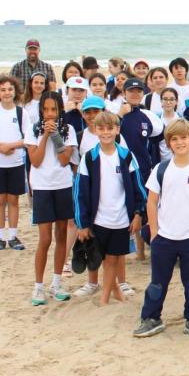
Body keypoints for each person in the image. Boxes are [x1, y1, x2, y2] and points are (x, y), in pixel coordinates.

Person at [134, 119, 189, 337]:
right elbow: (151, 201)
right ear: (169, 143)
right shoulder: (161, 169)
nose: (180, 142)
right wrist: (154, 232)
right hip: (164, 237)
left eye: (184, 138)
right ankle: (151, 318)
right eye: (174, 138)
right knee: (157, 283)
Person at [74, 111, 145, 306]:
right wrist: (82, 223)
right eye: (101, 128)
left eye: (110, 128)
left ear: (117, 129)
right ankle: (108, 295)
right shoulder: (89, 158)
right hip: (99, 219)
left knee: (114, 257)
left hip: (121, 217)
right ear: (95, 130)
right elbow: (80, 192)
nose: (106, 132)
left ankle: (109, 294)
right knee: (103, 258)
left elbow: (139, 187)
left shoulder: (126, 156)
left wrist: (138, 214)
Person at [25, 91, 77, 305]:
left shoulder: (69, 130)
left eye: (53, 110)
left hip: (62, 184)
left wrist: (55, 135)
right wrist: (45, 135)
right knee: (45, 238)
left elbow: (65, 160)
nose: (49, 114)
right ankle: (38, 286)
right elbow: (35, 161)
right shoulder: (32, 129)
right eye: (45, 110)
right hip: (42, 186)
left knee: (62, 235)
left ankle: (56, 283)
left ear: (59, 110)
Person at [118, 77, 165, 265]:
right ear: (124, 93)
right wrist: (119, 115)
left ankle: (143, 250)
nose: (135, 94)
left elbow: (159, 139)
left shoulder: (149, 116)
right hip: (120, 169)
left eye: (138, 91)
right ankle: (130, 249)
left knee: (145, 207)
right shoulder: (116, 114)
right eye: (131, 91)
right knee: (125, 206)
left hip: (144, 169)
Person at [0, 75, 30, 252]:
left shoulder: (21, 113)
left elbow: (27, 138)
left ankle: (13, 236)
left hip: (16, 162)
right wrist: (0, 146)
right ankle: (0, 237)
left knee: (13, 200)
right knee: (0, 200)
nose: (7, 93)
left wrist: (11, 146)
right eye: (3, 90)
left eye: (10, 89)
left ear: (15, 91)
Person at [155, 88, 181, 162]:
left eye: (172, 99)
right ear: (161, 101)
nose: (168, 102)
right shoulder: (156, 120)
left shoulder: (182, 121)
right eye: (165, 99)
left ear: (176, 101)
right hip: (160, 162)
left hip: (179, 162)